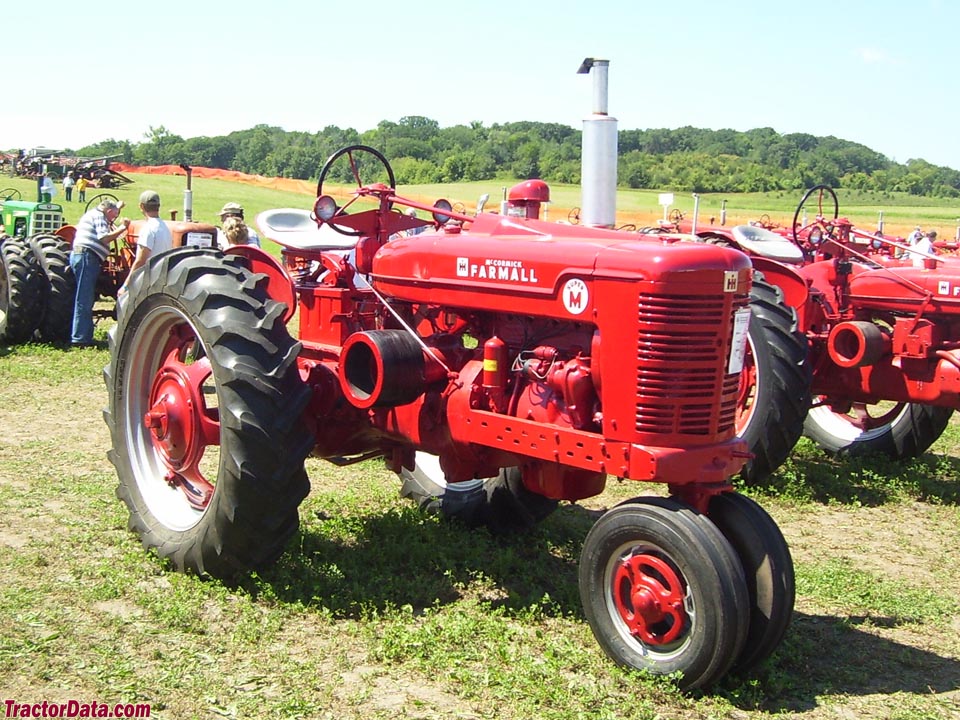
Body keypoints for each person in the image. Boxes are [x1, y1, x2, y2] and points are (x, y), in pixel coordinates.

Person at [69, 198, 130, 347]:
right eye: (113, 215)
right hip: (87, 256)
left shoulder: (97, 214)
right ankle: (80, 339)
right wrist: (122, 227)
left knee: (86, 297)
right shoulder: (98, 216)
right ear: (108, 211)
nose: (113, 219)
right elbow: (103, 238)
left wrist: (119, 208)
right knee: (84, 297)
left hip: (87, 257)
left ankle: (83, 334)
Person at [118, 190, 172, 295]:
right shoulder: (165, 227)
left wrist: (126, 285)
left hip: (149, 279)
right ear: (158, 206)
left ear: (141, 206)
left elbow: (140, 261)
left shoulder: (148, 229)